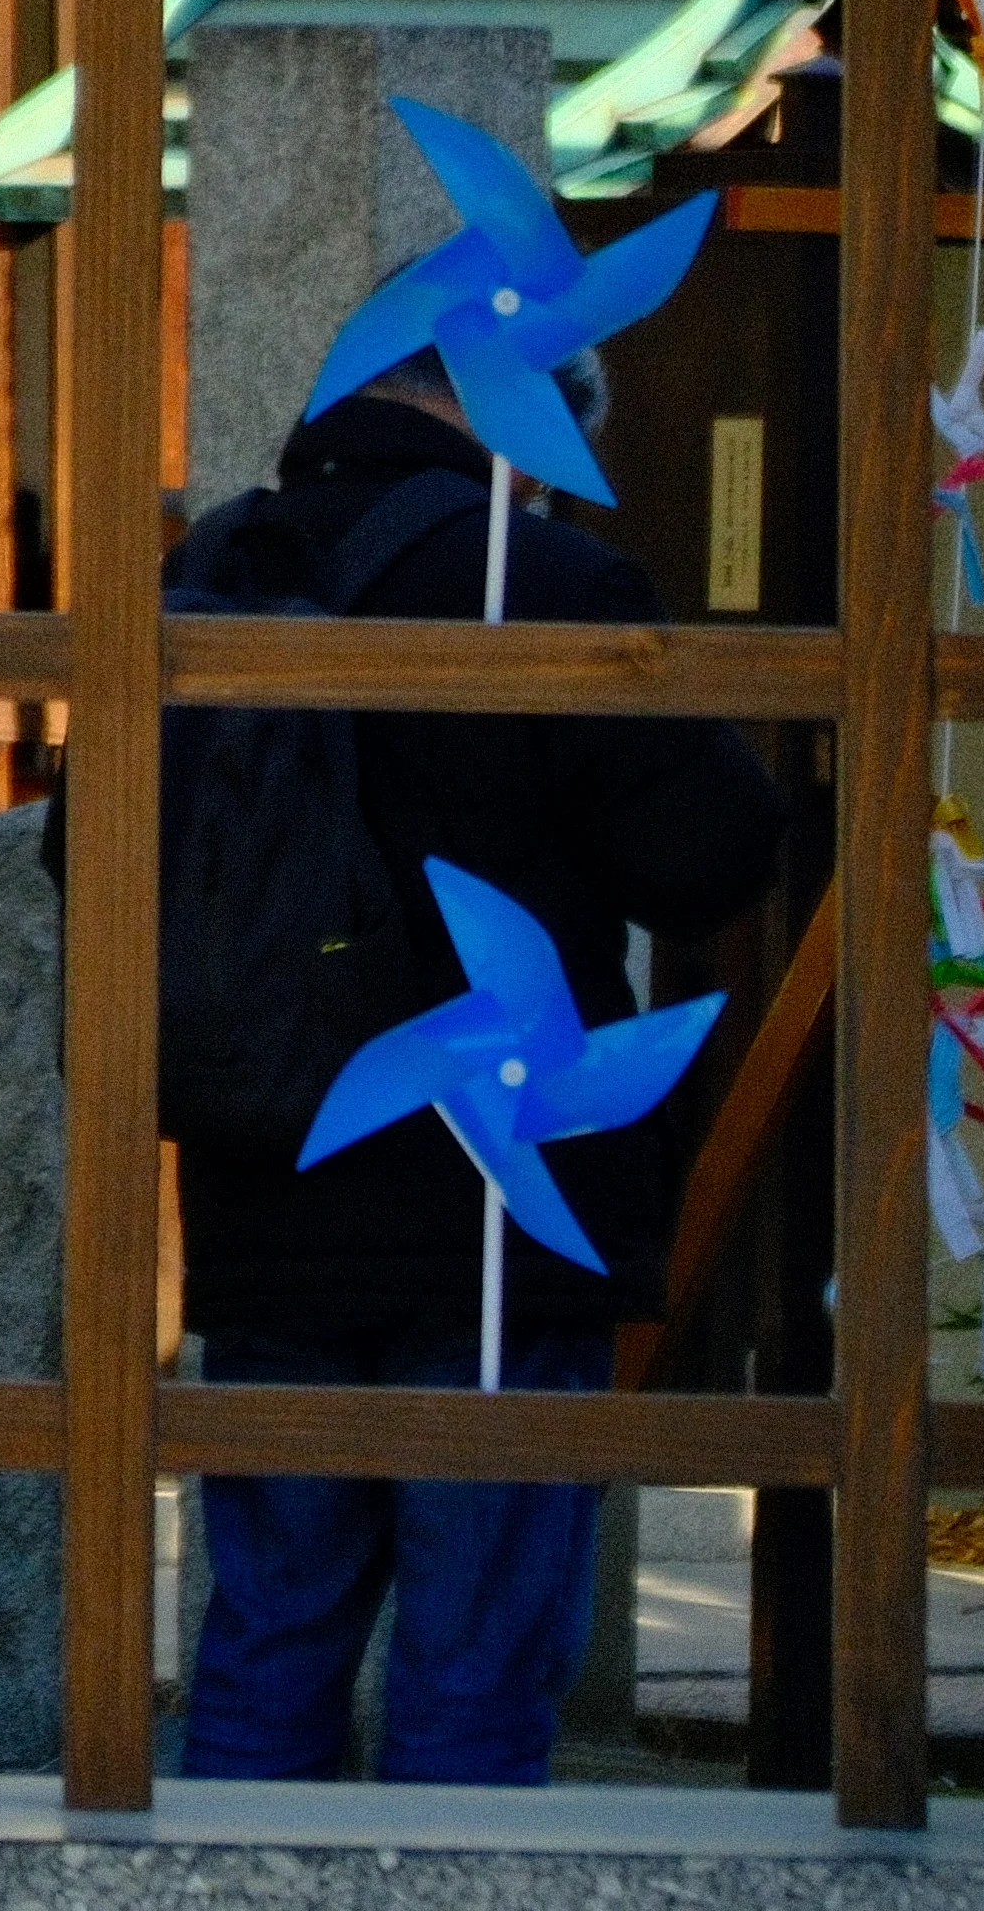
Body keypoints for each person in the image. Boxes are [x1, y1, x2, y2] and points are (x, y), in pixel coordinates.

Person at [161, 365, 783, 1788]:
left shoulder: (213, 571)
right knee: (477, 1671)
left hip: (269, 1187)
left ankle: (231, 1883)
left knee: (266, 1642)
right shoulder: (547, 581)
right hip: (504, 1212)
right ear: (529, 418)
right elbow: (711, 856)